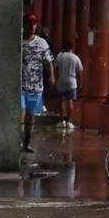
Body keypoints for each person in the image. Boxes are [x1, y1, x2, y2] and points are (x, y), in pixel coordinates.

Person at [20, 13, 53, 152]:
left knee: (30, 116)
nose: (32, 26)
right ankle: (19, 141)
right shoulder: (19, 41)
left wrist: (51, 77)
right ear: (24, 24)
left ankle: (26, 143)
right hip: (20, 84)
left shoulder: (42, 43)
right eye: (30, 23)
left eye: (34, 23)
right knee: (21, 113)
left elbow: (49, 61)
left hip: (35, 86)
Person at [53, 39, 84, 130]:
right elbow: (80, 72)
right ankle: (68, 121)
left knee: (61, 101)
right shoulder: (75, 58)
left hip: (61, 80)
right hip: (72, 82)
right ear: (72, 48)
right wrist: (80, 83)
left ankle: (62, 121)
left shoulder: (60, 56)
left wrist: (55, 80)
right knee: (70, 101)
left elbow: (55, 69)